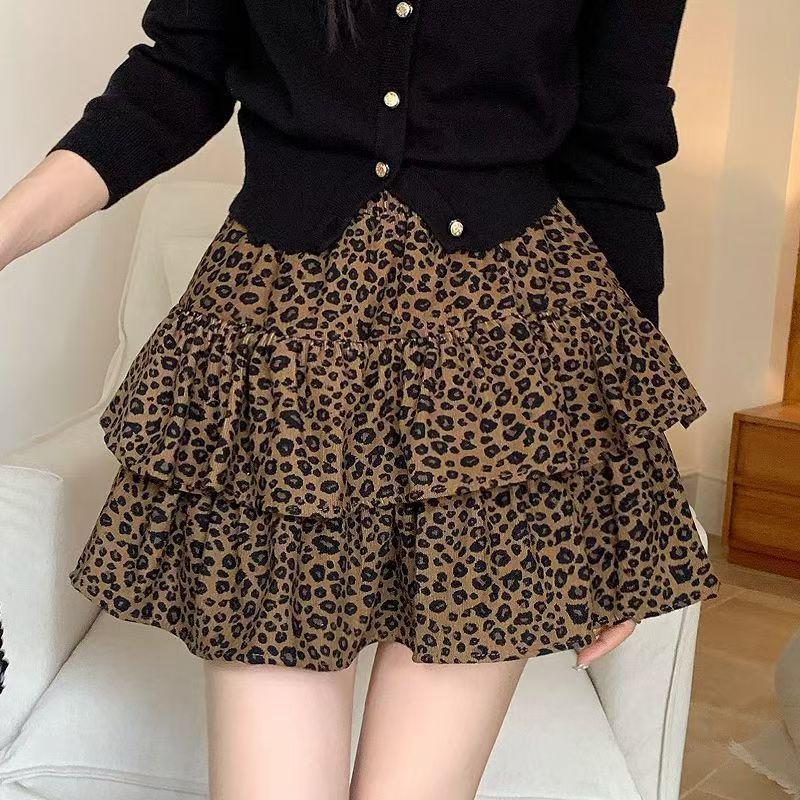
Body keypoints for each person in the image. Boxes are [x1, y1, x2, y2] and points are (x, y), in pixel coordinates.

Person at [0, 1, 720, 797]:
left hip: (503, 384)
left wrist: (626, 480)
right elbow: (174, 77)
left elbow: (616, 155)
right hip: (283, 370)